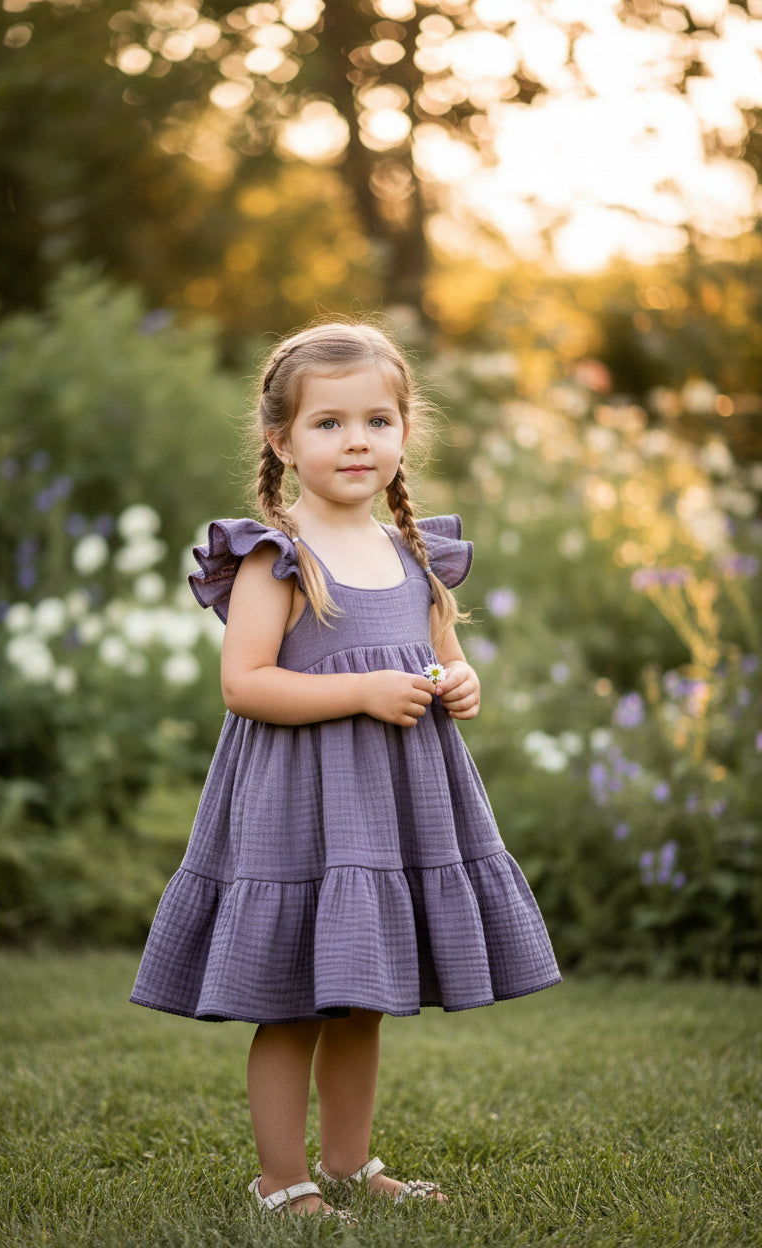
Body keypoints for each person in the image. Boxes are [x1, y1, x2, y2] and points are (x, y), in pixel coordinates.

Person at [131, 320, 561, 1221]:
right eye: (328, 424)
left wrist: (462, 681)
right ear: (282, 442)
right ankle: (280, 1180)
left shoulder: (417, 553)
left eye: (376, 419)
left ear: (406, 431)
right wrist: (362, 690)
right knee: (292, 1001)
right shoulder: (275, 555)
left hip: (389, 809)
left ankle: (350, 1163)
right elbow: (245, 684)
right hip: (300, 808)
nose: (356, 439)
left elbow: (440, 654)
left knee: (360, 996)